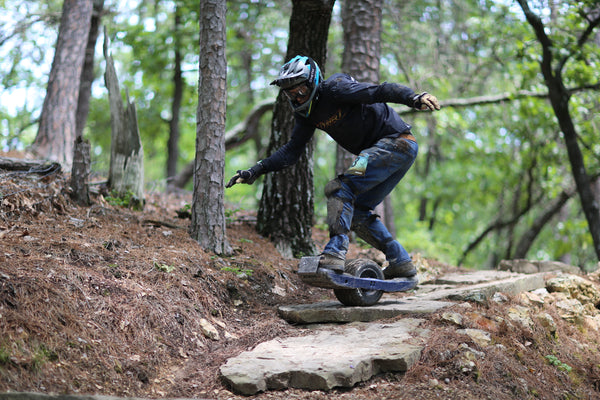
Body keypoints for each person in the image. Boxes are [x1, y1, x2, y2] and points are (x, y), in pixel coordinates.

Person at [226, 55, 440, 280]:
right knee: (357, 212)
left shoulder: (336, 88)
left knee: (340, 188)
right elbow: (291, 151)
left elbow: (380, 91)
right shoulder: (306, 115)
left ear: (313, 82)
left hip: (397, 142)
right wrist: (255, 170)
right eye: (290, 93)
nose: (297, 98)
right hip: (386, 152)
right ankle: (401, 262)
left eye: (300, 91)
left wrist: (414, 97)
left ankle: (334, 253)